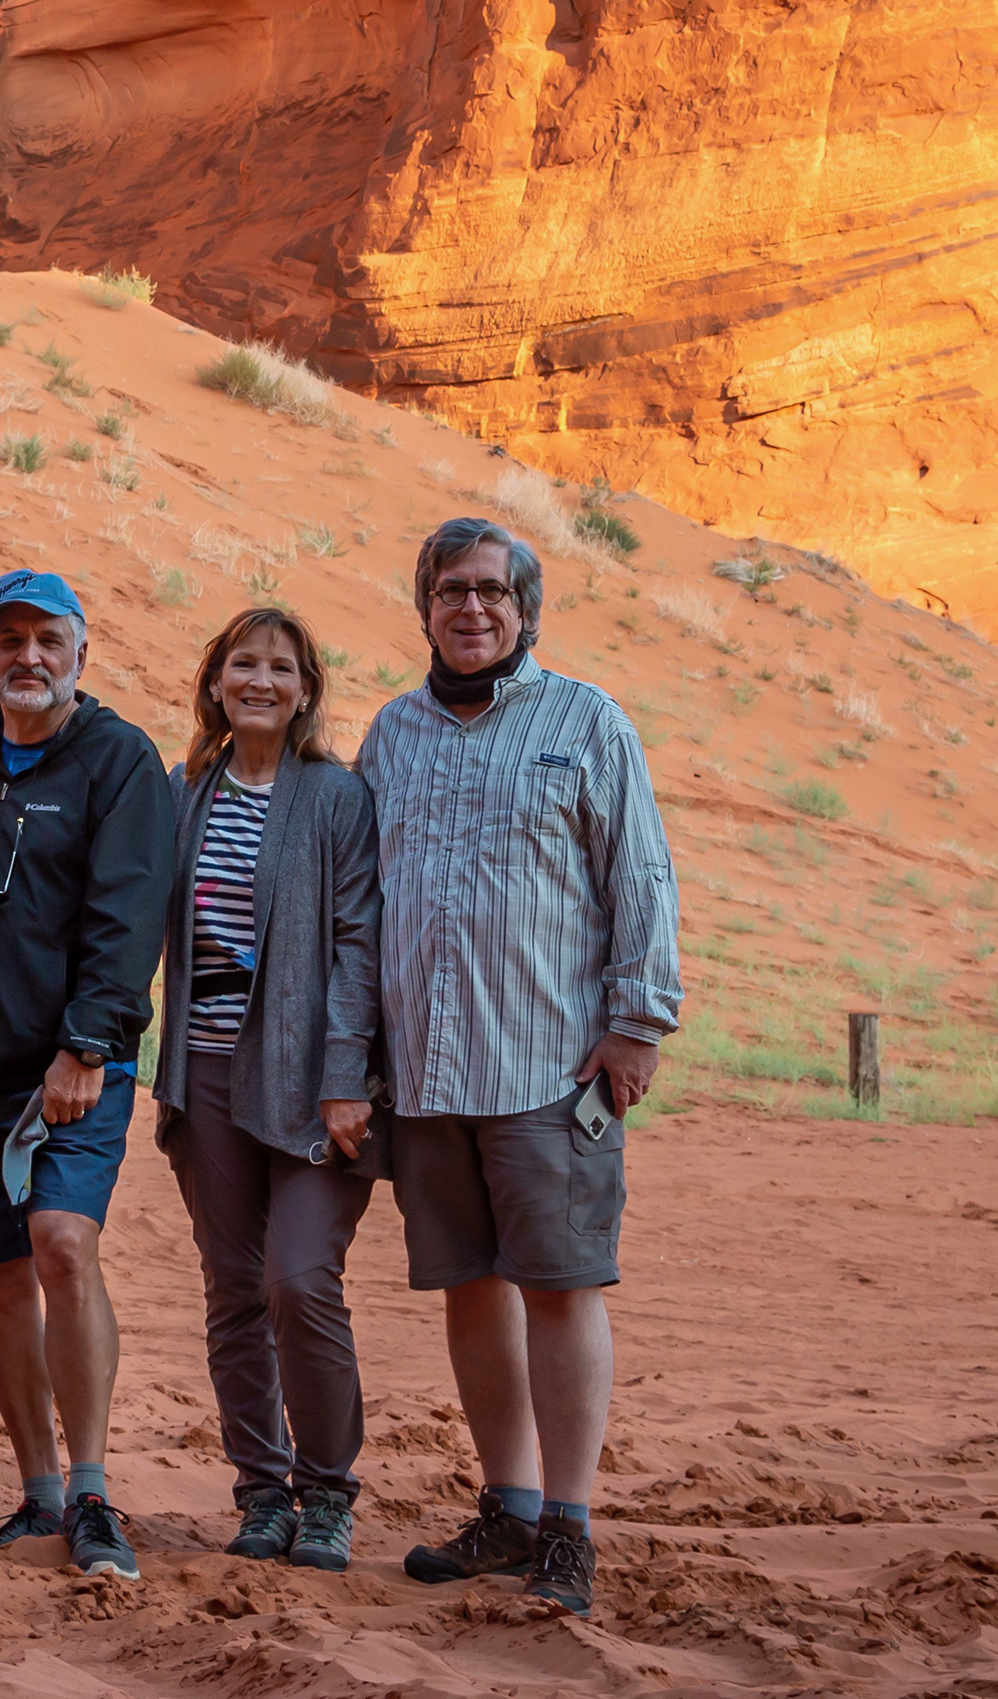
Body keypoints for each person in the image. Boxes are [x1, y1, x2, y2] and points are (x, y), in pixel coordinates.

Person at [356, 517, 682, 1619]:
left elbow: (639, 874)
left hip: (549, 1063)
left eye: (494, 591)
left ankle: (571, 1527)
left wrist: (638, 1023)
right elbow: (362, 905)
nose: (473, 609)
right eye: (452, 590)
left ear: (524, 608)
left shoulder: (586, 722)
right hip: (428, 1072)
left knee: (561, 1286)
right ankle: (508, 1505)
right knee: (467, 1287)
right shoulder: (391, 734)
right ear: (425, 607)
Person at [0, 569, 178, 1581]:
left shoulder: (121, 760)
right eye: (6, 638)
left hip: (73, 1069)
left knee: (61, 1243)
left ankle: (95, 1489)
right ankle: (39, 1493)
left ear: (81, 652)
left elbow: (129, 913)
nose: (27, 656)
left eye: (47, 638)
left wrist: (88, 1045)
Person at [150, 607, 384, 1571]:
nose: (260, 680)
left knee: (299, 1280)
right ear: (214, 683)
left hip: (311, 1083)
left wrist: (344, 1079)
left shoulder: (336, 798)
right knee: (233, 1290)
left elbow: (359, 944)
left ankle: (327, 1491)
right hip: (202, 1075)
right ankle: (261, 1492)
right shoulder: (180, 793)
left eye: (280, 668)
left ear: (305, 691)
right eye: (242, 664)